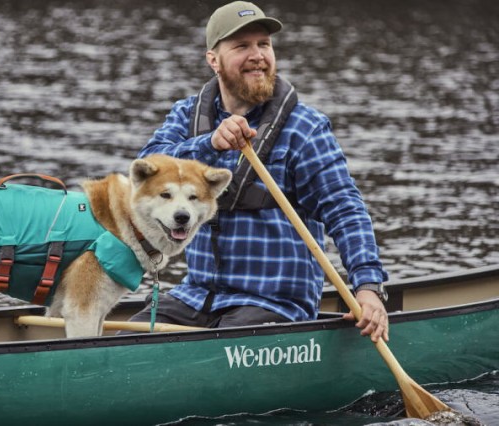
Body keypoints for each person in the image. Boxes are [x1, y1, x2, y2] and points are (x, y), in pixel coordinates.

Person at [130, 1, 390, 342]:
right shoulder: (187, 116)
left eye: (264, 44)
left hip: (275, 304)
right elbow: (145, 169)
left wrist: (368, 287)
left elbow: (346, 211)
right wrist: (209, 144)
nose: (258, 55)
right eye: (242, 46)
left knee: (217, 349)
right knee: (118, 343)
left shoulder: (304, 129)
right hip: (198, 296)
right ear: (213, 60)